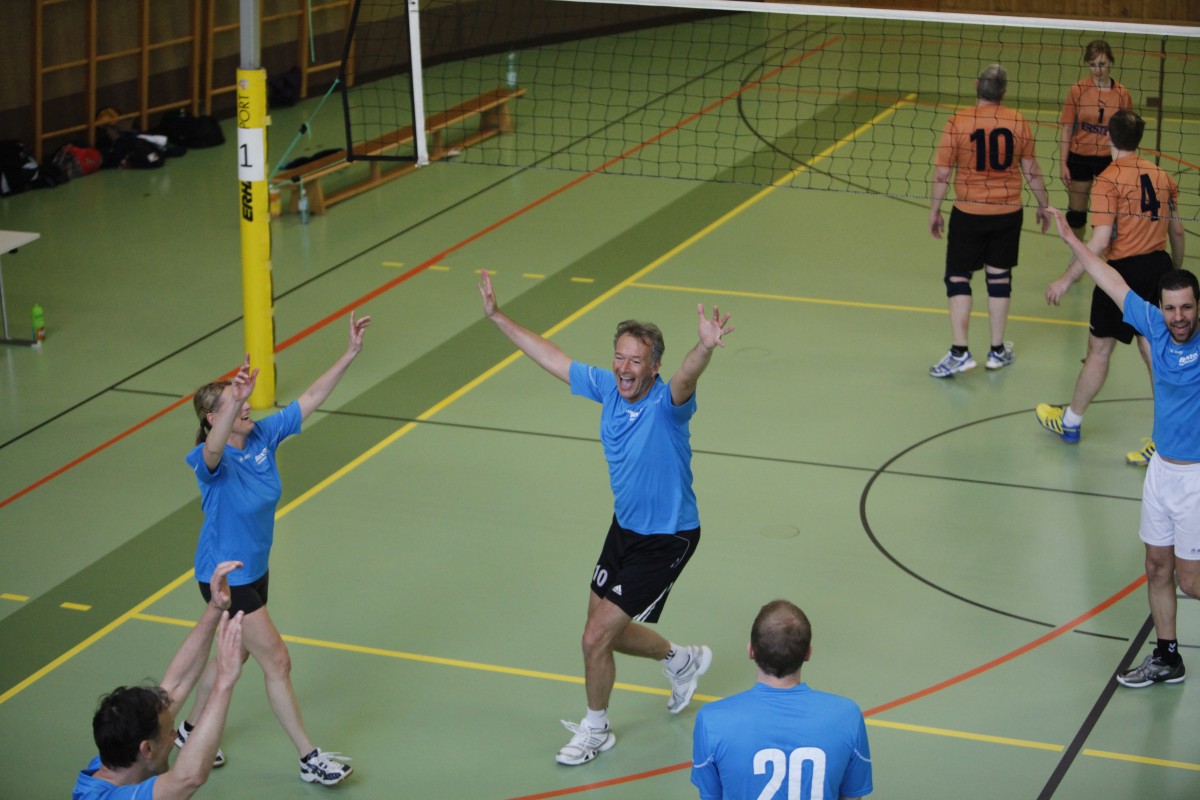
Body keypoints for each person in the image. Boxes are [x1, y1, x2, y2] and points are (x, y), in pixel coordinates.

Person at [477, 269, 731, 766]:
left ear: (653, 368)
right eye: (620, 356)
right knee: (602, 629)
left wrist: (703, 348)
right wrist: (497, 316)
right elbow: (551, 356)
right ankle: (680, 660)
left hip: (667, 537)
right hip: (625, 529)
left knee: (595, 637)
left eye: (636, 360)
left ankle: (597, 729)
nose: (624, 367)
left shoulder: (667, 404)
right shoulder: (608, 389)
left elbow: (687, 376)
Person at [177, 312, 370, 786]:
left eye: (244, 400)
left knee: (238, 655)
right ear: (212, 418)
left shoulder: (263, 435)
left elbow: (312, 397)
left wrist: (349, 354)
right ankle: (308, 757)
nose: (246, 407)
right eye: (234, 403)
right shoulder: (210, 462)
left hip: (256, 569)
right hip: (226, 577)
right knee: (277, 660)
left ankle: (190, 731)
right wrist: (231, 404)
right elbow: (214, 448)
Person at [1046, 206, 1196, 689]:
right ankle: (1167, 657)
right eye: (1171, 308)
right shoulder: (1152, 324)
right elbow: (1108, 277)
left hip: (1196, 478)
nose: (1178, 317)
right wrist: (1071, 238)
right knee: (1156, 566)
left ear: (1197, 307)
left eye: (1186, 308)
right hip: (1162, 474)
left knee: (1192, 581)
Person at [1038, 110, 1185, 464]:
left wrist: (1066, 278)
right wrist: (1173, 275)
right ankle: (1164, 439)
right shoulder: (1162, 176)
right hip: (1158, 269)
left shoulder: (1107, 180)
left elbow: (1100, 241)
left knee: (1099, 350)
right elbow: (1177, 232)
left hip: (1119, 275)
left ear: (1108, 136)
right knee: (1154, 353)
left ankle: (1071, 422)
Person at [74, 561, 246, 800]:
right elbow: (189, 777)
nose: (175, 738)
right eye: (171, 732)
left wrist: (215, 607)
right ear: (146, 748)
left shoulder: (117, 759)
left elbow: (176, 685)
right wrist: (224, 682)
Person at [928, 63, 1051, 378]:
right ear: (1004, 93)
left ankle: (960, 352)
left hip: (968, 213)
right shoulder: (1018, 121)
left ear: (975, 85)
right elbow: (1032, 169)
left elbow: (942, 173)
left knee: (958, 277)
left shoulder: (958, 122)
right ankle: (997, 351)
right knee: (1000, 278)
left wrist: (935, 210)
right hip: (1007, 213)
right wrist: (1043, 204)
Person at [690, 599, 872, 800]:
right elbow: (852, 796)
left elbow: (711, 795)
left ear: (751, 651)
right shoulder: (847, 716)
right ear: (808, 653)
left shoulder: (712, 720)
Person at [1058, 41, 1133, 241]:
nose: (1097, 70)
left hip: (1108, 160)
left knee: (1107, 216)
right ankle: (1078, 252)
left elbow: (1127, 133)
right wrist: (1063, 163)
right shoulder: (1078, 90)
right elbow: (1067, 128)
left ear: (1111, 63)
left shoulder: (1122, 94)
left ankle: (1105, 253)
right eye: (1092, 65)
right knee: (1076, 215)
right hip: (1079, 157)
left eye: (1102, 64)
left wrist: (1125, 166)